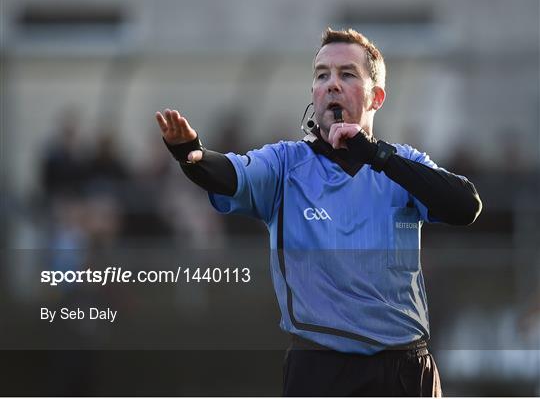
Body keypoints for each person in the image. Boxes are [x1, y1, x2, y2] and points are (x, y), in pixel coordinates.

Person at [154, 28, 482, 396]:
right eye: (322, 75)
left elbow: (466, 205)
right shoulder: (285, 164)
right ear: (313, 92)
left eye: (347, 74)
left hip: (406, 370)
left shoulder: (400, 164)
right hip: (322, 370)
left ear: (377, 97)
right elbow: (229, 173)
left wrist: (374, 154)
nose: (332, 84)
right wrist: (192, 156)